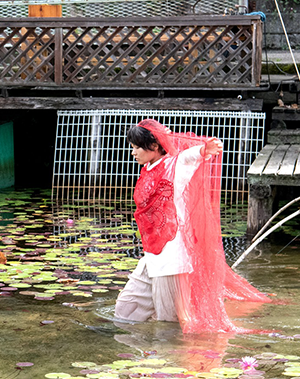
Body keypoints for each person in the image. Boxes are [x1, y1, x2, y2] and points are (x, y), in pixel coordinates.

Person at [113, 119, 270, 333]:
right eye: (133, 147)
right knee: (125, 311)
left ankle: (177, 358)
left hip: (171, 258)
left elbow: (190, 156)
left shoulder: (173, 166)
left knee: (170, 323)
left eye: (138, 147)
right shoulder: (148, 168)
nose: (134, 152)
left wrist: (206, 148)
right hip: (151, 255)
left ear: (155, 146)